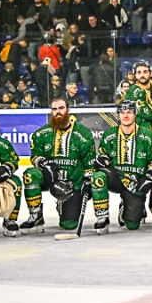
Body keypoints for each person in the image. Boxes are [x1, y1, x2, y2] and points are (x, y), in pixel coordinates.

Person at [21, 98, 95, 233]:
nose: (58, 112)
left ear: (68, 110)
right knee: (30, 175)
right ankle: (35, 215)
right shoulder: (42, 133)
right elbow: (34, 156)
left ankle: (64, 205)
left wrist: (88, 182)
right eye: (54, 109)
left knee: (69, 225)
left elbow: (89, 162)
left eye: (61, 108)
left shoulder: (83, 133)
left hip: (73, 182)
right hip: (49, 178)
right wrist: (43, 162)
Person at [91, 100, 152, 234]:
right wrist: (101, 161)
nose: (125, 116)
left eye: (129, 112)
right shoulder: (109, 135)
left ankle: (127, 205)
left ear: (135, 114)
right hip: (116, 177)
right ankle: (102, 218)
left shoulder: (147, 135)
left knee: (132, 225)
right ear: (118, 115)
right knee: (98, 177)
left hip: (136, 182)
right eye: (122, 112)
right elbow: (103, 155)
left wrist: (149, 177)